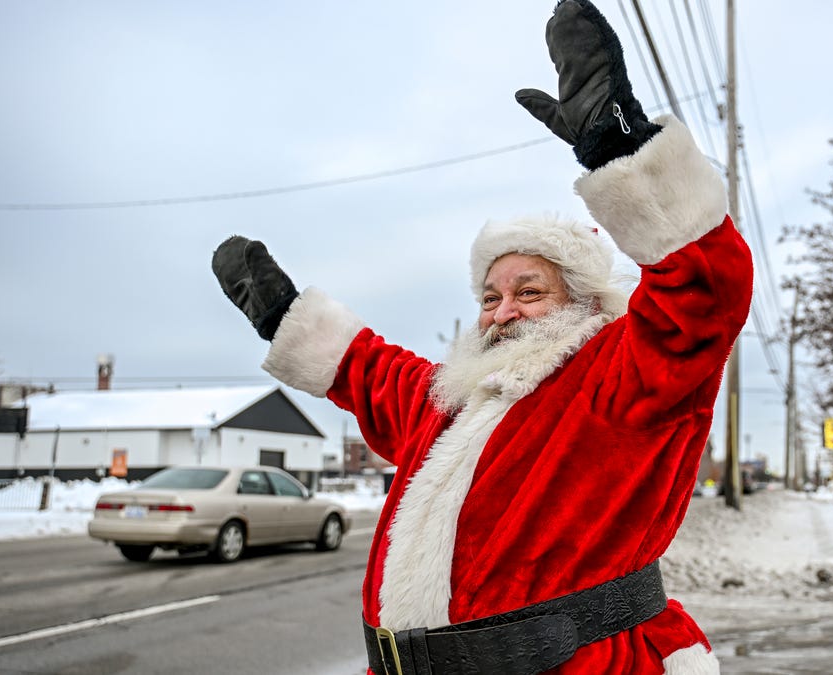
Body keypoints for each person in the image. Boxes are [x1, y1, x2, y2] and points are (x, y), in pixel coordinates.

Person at [211, 1, 751, 673]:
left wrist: (620, 152)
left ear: (581, 303)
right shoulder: (450, 399)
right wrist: (283, 313)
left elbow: (702, 293)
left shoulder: (619, 375)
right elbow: (371, 373)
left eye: (529, 291)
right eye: (490, 296)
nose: (501, 312)